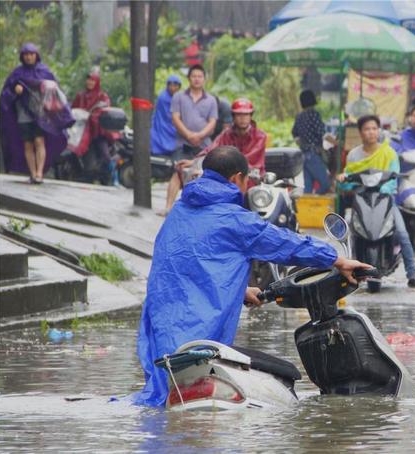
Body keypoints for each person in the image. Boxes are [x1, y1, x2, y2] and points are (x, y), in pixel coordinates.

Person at [135, 145, 370, 406]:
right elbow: (285, 243)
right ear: (237, 178)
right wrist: (337, 260)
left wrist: (241, 290)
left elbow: (189, 264)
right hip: (198, 329)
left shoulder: (179, 212)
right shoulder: (236, 219)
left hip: (162, 326)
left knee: (164, 401)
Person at [336, 115, 415, 289]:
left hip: (385, 199)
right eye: (367, 129)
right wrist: (342, 178)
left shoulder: (389, 153)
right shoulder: (354, 155)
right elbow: (348, 177)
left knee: (403, 233)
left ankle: (412, 275)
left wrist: (384, 188)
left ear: (379, 131)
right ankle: (351, 268)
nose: (371, 132)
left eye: (374, 128)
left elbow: (393, 178)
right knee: (352, 233)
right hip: (361, 199)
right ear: (360, 133)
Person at [163, 98, 267, 213]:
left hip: (250, 174)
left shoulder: (260, 136)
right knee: (181, 171)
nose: (243, 118)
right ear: (233, 116)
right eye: (239, 115)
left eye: (246, 115)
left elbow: (246, 160)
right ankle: (169, 208)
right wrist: (195, 162)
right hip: (228, 173)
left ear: (251, 116)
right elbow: (211, 149)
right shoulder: (227, 134)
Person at [0, 42, 74, 183]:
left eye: (31, 54)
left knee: (39, 141)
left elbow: (55, 92)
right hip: (23, 114)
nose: (28, 57)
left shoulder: (44, 71)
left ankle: (39, 173)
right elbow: (7, 93)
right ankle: (33, 174)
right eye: (26, 54)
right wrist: (16, 90)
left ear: (36, 55)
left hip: (40, 114)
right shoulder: (17, 73)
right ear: (22, 56)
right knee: (28, 143)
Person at [170, 64, 218, 163]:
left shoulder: (211, 100)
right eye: (194, 76)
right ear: (188, 78)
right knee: (179, 170)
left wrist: (200, 135)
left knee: (205, 172)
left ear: (204, 79)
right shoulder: (178, 97)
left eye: (200, 76)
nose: (197, 79)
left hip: (204, 145)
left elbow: (212, 122)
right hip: (183, 145)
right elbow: (175, 118)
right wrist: (189, 135)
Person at [292, 89, 330, 194]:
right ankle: (316, 198)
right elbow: (322, 132)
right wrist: (336, 143)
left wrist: (302, 143)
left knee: (307, 188)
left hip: (304, 155)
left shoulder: (299, 116)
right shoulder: (314, 114)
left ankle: (307, 206)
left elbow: (294, 133)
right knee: (325, 184)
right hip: (313, 154)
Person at [151, 75, 182, 156]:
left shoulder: (179, 97)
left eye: (175, 85)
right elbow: (168, 115)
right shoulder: (163, 97)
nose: (172, 87)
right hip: (162, 125)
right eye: (170, 85)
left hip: (173, 127)